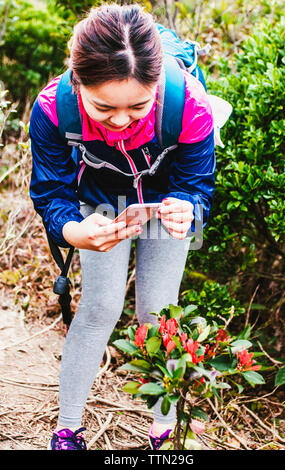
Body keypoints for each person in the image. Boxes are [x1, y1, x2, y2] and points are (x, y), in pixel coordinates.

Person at [29, 3, 216, 450]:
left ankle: (165, 434)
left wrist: (187, 209)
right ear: (78, 82)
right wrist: (74, 232)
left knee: (158, 312)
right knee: (99, 309)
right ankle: (67, 430)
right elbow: (50, 193)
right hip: (101, 200)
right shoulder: (53, 109)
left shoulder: (190, 104)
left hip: (166, 200)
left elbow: (198, 188)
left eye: (137, 107)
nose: (118, 122)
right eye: (103, 108)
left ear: (156, 85)